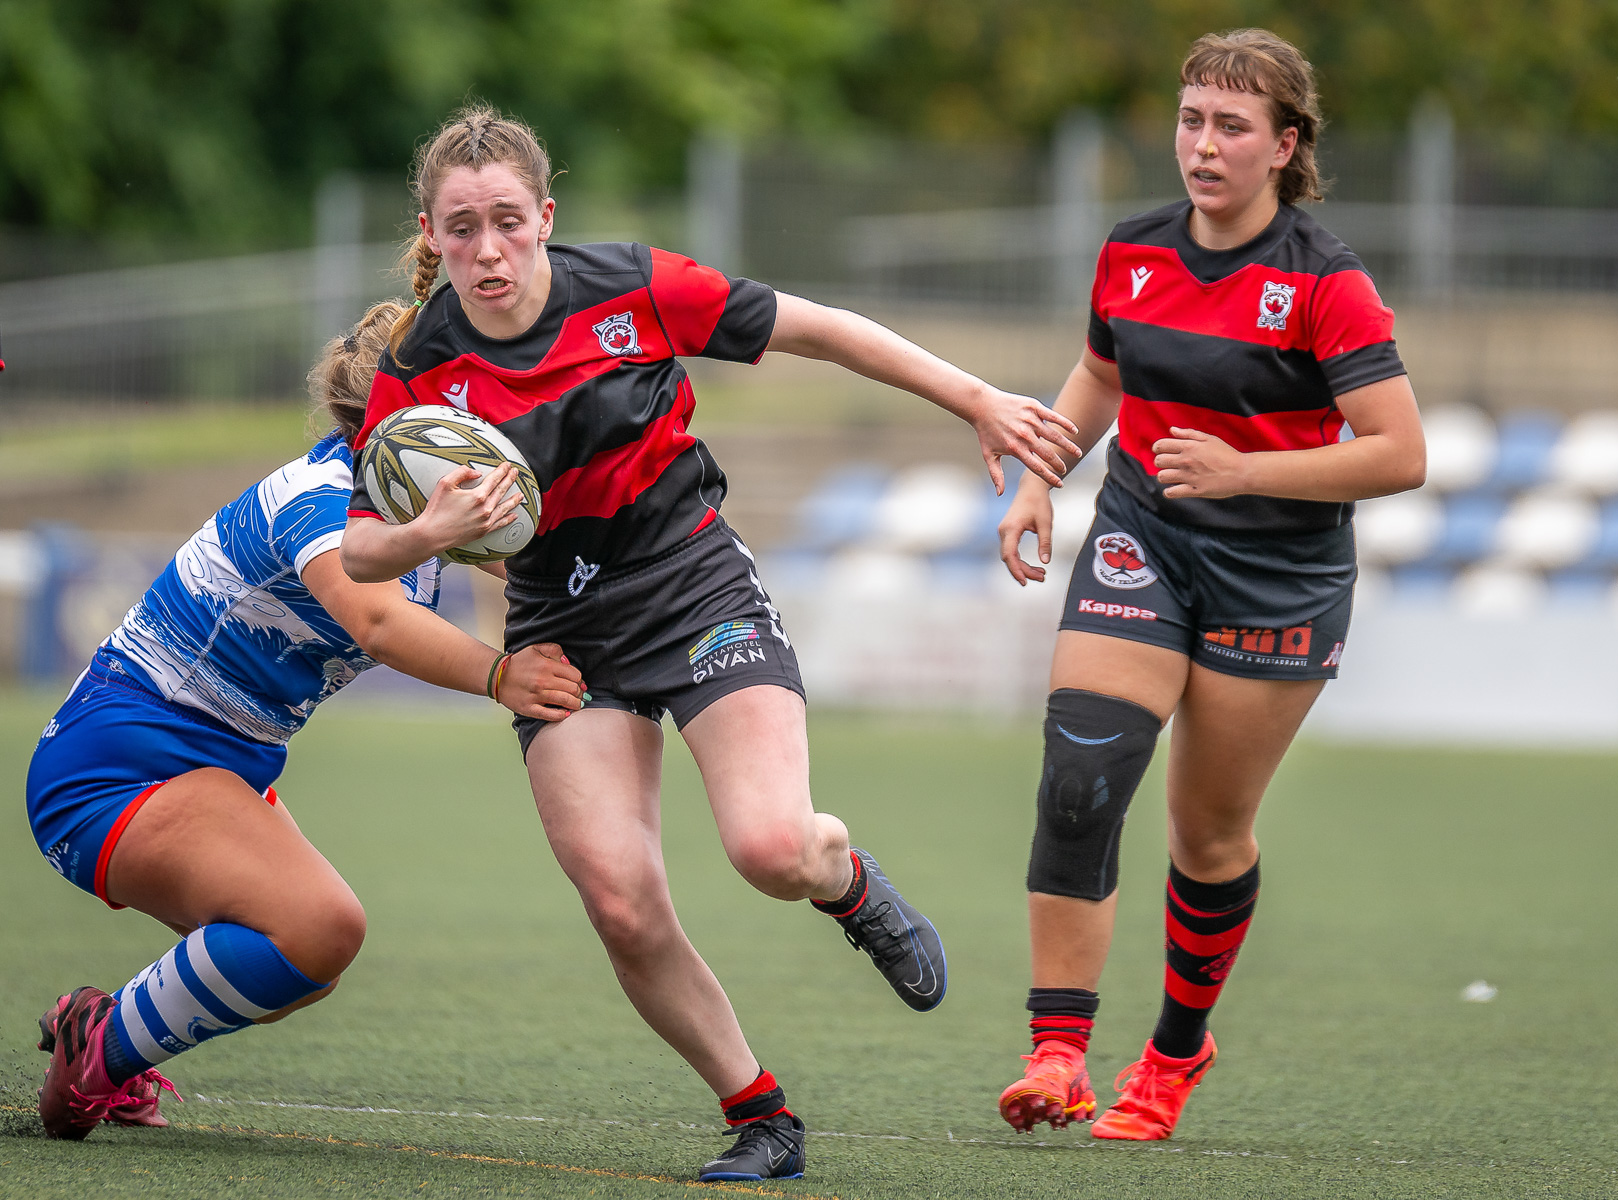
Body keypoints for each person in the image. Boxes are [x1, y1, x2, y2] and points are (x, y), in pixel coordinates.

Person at [337, 104, 1081, 1183]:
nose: (488, 250)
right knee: (620, 899)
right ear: (431, 234)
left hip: (691, 585)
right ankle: (761, 1114)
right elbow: (360, 555)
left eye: (507, 220)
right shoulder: (419, 372)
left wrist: (972, 398)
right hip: (560, 626)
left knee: (772, 849)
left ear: (546, 217)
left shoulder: (632, 288)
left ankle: (849, 882)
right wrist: (425, 535)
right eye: (462, 229)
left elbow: (819, 327)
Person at [993, 29, 1426, 1141]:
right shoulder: (1131, 250)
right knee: (1082, 774)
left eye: (1233, 125)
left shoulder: (1325, 282)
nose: (1204, 143)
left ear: (1285, 146)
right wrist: (1042, 477)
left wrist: (1247, 472)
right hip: (1145, 533)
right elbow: (1100, 372)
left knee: (1208, 833)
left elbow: (1399, 452)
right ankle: (1059, 1052)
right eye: (1192, 119)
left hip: (1277, 575)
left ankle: (1177, 1051)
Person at [28, 300, 585, 1141]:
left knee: (303, 966)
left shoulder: (413, 512)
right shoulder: (319, 496)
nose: (484, 421)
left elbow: (541, 579)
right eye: (462, 401)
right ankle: (97, 1055)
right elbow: (380, 624)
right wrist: (501, 674)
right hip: (117, 764)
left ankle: (104, 1032)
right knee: (319, 927)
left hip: (210, 769)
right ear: (406, 417)